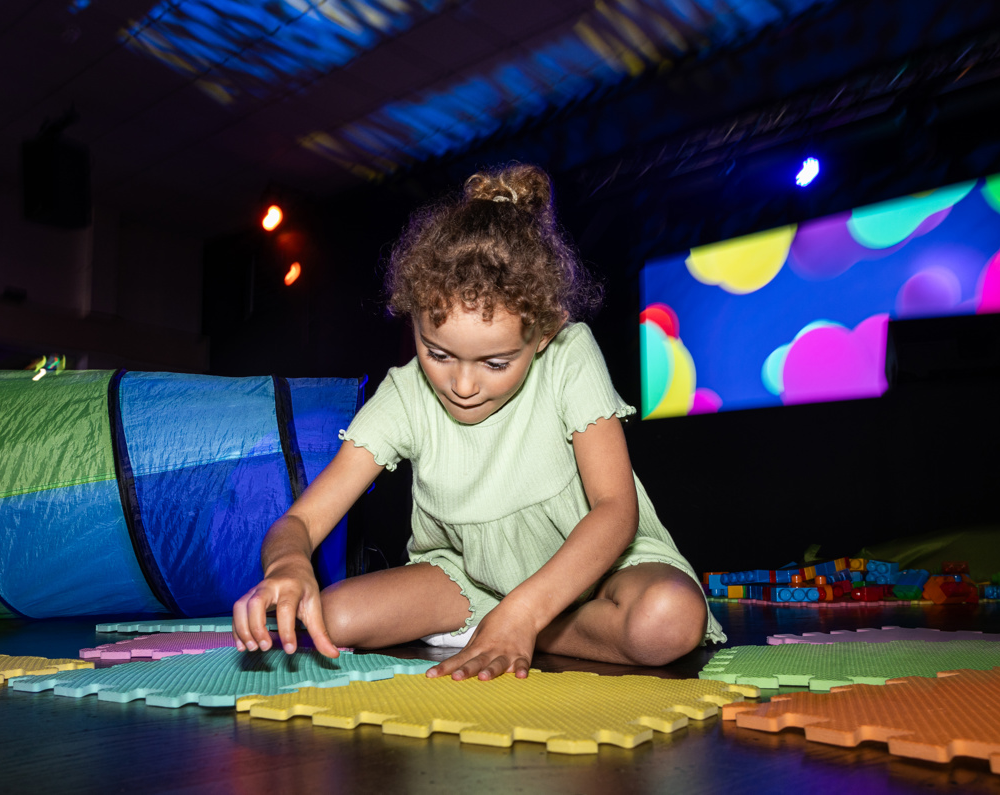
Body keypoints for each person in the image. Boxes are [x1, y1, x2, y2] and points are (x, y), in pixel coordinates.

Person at [233, 163, 725, 681]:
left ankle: (520, 624)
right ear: (415, 319)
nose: (462, 386)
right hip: (467, 578)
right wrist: (287, 567)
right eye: (437, 352)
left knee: (669, 621)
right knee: (329, 619)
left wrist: (525, 612)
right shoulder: (404, 394)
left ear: (541, 334)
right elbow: (302, 522)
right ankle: (507, 622)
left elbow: (614, 511)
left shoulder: (569, 353)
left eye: (494, 363)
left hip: (597, 574)